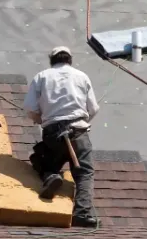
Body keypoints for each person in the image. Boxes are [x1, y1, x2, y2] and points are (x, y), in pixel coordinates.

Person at [23, 46, 101, 227]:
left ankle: (50, 176)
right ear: (69, 60)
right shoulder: (82, 76)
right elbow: (94, 109)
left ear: (52, 60)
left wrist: (40, 118)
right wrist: (82, 120)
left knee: (41, 161)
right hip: (78, 132)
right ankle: (82, 213)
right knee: (84, 172)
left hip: (53, 133)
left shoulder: (41, 77)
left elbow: (30, 108)